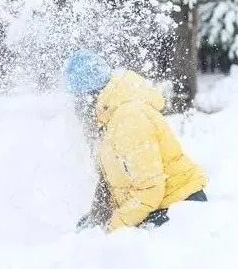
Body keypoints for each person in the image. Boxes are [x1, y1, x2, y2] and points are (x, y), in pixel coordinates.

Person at [64, 49, 208, 232]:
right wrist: (97, 216)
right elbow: (112, 181)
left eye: (77, 101)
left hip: (179, 206)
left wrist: (111, 228)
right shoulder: (108, 120)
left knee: (115, 249)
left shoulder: (128, 118)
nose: (76, 110)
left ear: (90, 97)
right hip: (155, 205)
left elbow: (150, 189)